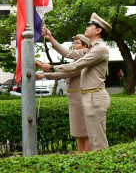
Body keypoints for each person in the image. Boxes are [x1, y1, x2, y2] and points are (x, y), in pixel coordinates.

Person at [40, 13, 112, 151]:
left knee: (98, 142)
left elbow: (75, 66)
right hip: (89, 97)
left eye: (90, 25)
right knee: (93, 138)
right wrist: (50, 38)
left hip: (95, 97)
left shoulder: (100, 49)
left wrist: (52, 67)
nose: (86, 27)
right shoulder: (91, 48)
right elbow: (69, 54)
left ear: (98, 30)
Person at [35, 34, 91, 153]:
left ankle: (87, 159)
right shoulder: (77, 60)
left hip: (80, 99)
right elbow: (66, 70)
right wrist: (42, 72)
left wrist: (44, 73)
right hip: (75, 99)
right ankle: (82, 158)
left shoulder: (84, 60)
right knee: (79, 133)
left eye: (77, 43)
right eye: (73, 43)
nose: (73, 45)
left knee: (85, 133)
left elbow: (66, 72)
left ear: (85, 46)